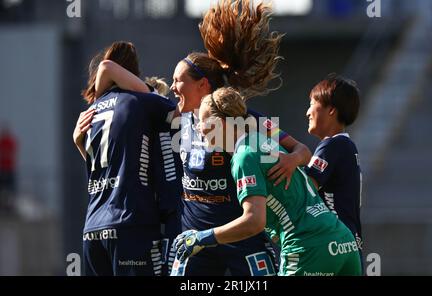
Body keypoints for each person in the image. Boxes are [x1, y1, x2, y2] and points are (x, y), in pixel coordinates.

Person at [83, 0, 312, 276]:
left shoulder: (241, 118)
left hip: (239, 237)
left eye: (179, 80)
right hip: (194, 243)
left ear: (202, 85)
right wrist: (88, 120)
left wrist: (292, 159)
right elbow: (109, 73)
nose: (174, 86)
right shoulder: (171, 116)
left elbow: (301, 149)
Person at [174, 87, 362, 276]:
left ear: (221, 123)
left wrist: (203, 237)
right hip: (343, 242)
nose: (198, 127)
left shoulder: (244, 156)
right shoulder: (259, 139)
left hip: (307, 245)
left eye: (204, 121)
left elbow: (254, 221)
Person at [73, 41, 181, 276]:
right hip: (129, 223)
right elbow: (178, 113)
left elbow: (98, 165)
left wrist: (77, 141)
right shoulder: (140, 100)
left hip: (93, 230)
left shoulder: (93, 114)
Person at [303, 74, 363, 261]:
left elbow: (305, 189)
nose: (307, 112)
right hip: (351, 243)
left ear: (331, 110)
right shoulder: (347, 146)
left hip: (333, 244)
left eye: (312, 103)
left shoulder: (332, 145)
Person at [0, 124, 17, 212]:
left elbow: (10, 153)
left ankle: (9, 207)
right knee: (4, 189)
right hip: (3, 169)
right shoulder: (2, 141)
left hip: (9, 169)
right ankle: (4, 207)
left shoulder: (10, 141)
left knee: (10, 190)